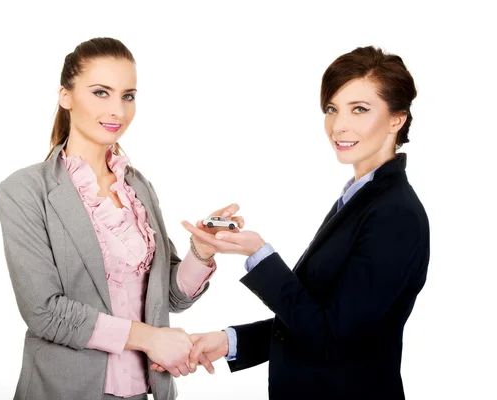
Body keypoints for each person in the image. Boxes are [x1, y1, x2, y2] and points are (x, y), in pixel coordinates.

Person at [156, 46, 430, 399]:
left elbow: (330, 339)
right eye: (332, 109)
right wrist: (230, 341)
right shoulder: (360, 199)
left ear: (397, 119)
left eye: (359, 109)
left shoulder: (395, 214)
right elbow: (319, 320)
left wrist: (259, 254)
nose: (338, 125)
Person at [0, 37, 241, 400]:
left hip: (147, 391)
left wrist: (201, 253)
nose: (118, 110)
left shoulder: (138, 187)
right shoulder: (25, 190)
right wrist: (150, 338)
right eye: (100, 92)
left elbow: (168, 297)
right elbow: (43, 311)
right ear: (65, 96)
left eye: (128, 96)